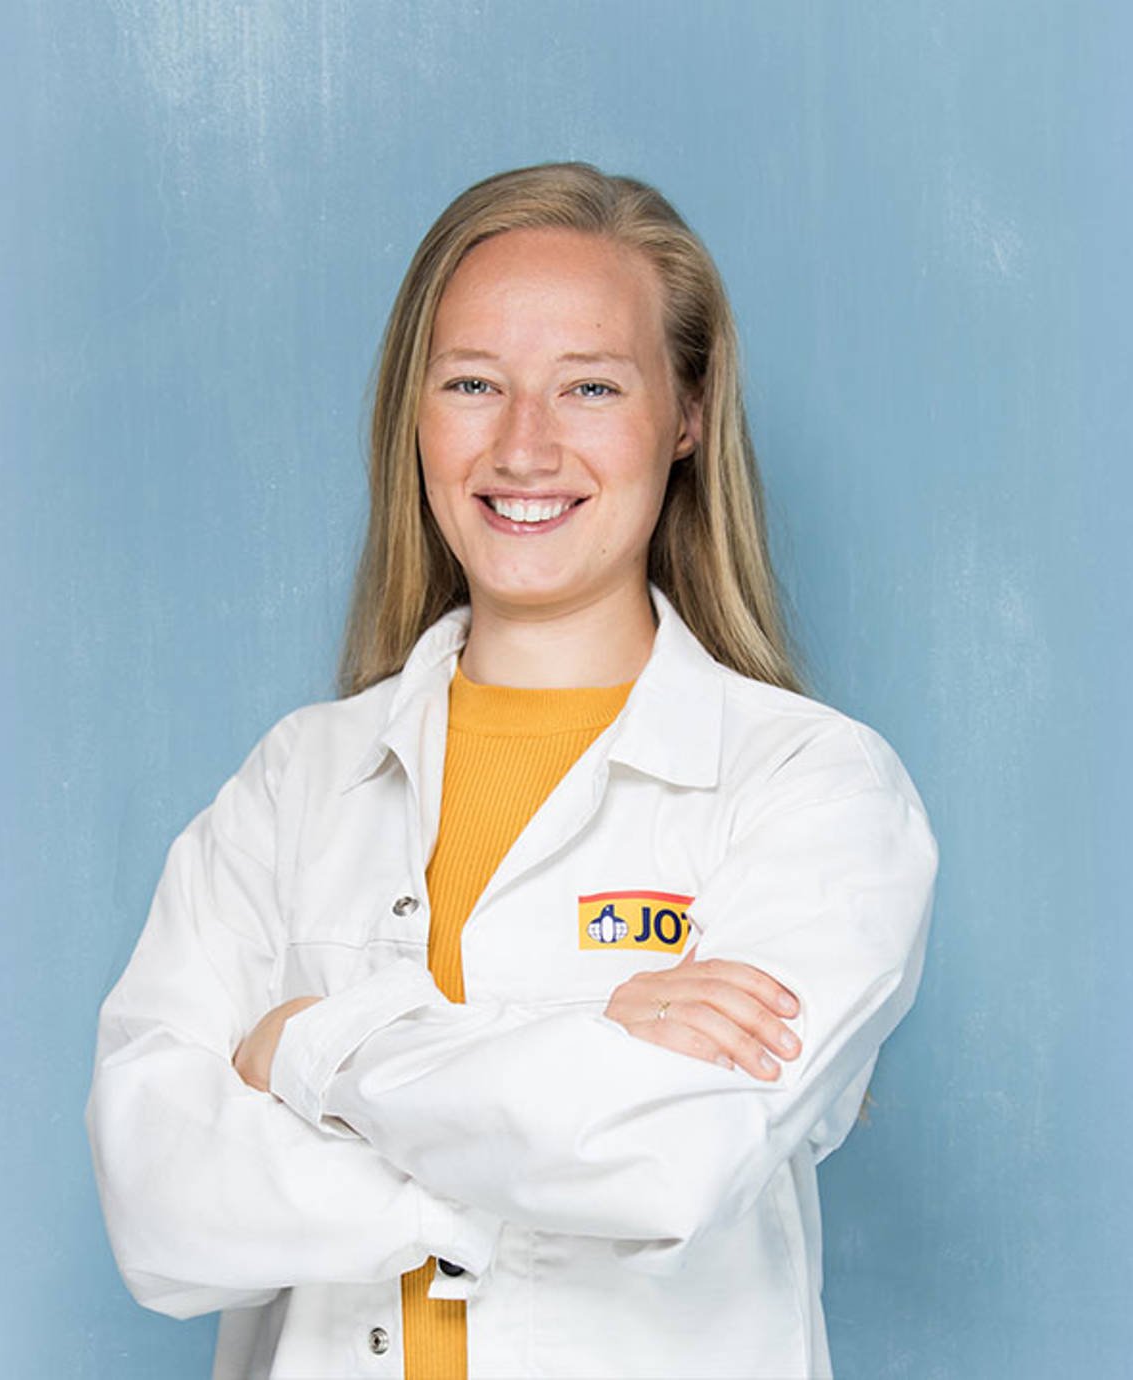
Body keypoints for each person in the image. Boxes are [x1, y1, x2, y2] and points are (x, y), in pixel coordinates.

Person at [87, 161, 937, 1380]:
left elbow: (665, 1161)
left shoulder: (815, 786)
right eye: (473, 383)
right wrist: (565, 1068)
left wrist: (304, 1049)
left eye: (591, 385)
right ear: (414, 415)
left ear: (686, 415)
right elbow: (159, 1204)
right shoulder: (296, 782)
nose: (524, 446)